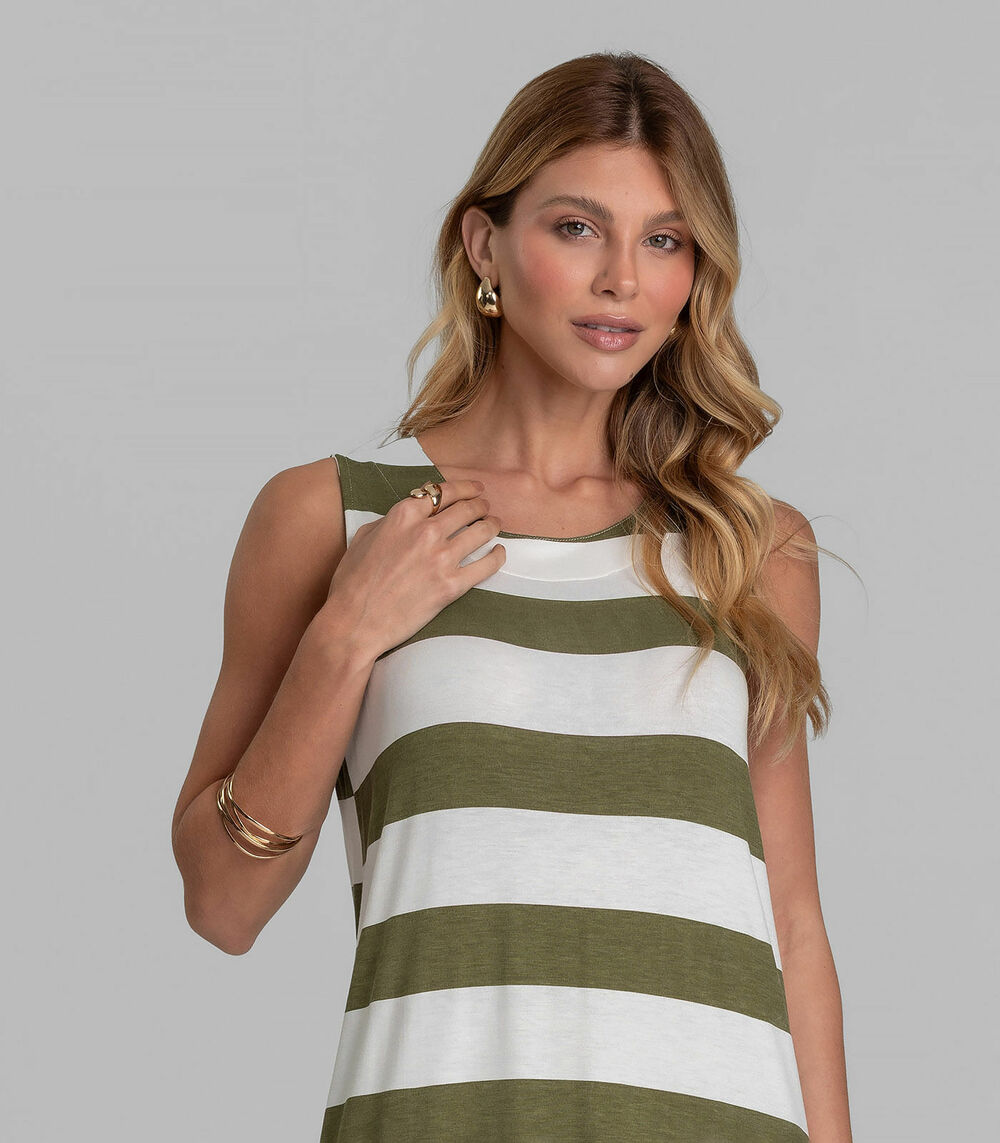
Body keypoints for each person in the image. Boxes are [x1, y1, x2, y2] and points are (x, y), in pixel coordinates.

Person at [171, 50, 854, 1142]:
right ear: (484, 245)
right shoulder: (331, 519)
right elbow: (221, 904)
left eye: (664, 240)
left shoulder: (749, 548)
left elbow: (793, 924)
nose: (621, 279)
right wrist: (346, 634)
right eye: (578, 228)